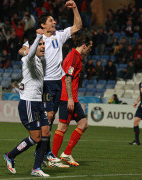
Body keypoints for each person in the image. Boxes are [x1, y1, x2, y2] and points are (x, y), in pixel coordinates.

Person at [18, 0, 82, 167]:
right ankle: (45, 151)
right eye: (51, 21)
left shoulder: (59, 35)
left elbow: (77, 26)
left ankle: (44, 150)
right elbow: (21, 50)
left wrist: (75, 8)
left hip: (58, 82)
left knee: (50, 121)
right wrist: (27, 50)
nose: (54, 23)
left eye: (54, 20)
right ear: (43, 24)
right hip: (44, 82)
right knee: (50, 116)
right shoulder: (37, 40)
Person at [3, 29, 51, 177]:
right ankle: (10, 155)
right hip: (28, 103)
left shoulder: (39, 60)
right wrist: (38, 36)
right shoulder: (28, 59)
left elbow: (25, 48)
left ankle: (36, 168)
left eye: (44, 44)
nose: (43, 46)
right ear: (32, 47)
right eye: (40, 44)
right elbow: (27, 51)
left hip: (38, 102)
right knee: (36, 137)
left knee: (46, 133)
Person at [52, 35, 92, 166]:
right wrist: (69, 98)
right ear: (84, 45)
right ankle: (52, 158)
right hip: (67, 98)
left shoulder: (76, 57)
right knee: (62, 127)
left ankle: (66, 153)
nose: (89, 50)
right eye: (89, 47)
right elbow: (68, 78)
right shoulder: (74, 57)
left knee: (83, 124)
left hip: (72, 98)